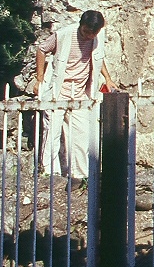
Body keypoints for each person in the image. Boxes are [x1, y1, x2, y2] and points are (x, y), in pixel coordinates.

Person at [35, 9, 112, 182]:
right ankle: (49, 173)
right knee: (52, 132)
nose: (90, 36)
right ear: (81, 25)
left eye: (93, 33)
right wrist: (39, 79)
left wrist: (107, 78)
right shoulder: (63, 34)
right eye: (86, 32)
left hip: (80, 92)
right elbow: (41, 49)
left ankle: (80, 175)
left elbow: (98, 57)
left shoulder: (97, 38)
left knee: (81, 134)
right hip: (58, 90)